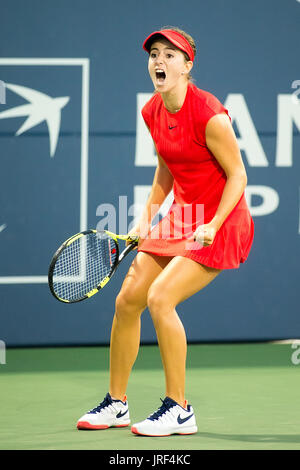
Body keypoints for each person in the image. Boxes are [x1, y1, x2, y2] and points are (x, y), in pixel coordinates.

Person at [77, 26, 254, 437]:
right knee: (127, 301)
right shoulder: (152, 111)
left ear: (188, 66)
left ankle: (180, 409)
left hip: (221, 221)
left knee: (160, 299)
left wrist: (212, 223)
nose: (159, 61)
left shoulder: (210, 115)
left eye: (170, 55)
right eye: (154, 54)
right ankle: (116, 404)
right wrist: (145, 220)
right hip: (182, 215)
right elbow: (165, 171)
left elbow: (238, 175)